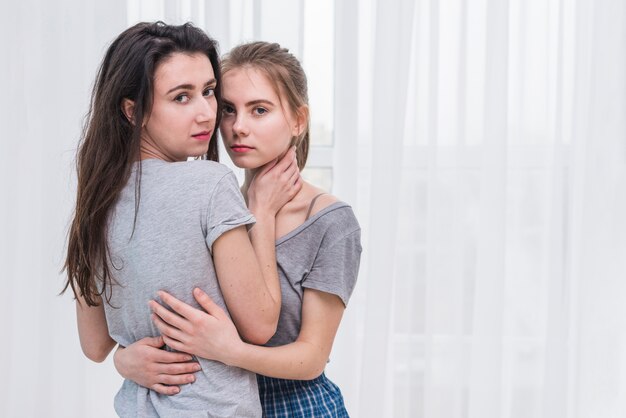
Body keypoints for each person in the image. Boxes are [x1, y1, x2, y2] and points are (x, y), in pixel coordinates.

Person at [62, 23, 301, 417]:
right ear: (132, 110)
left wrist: (127, 357)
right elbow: (260, 326)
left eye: (209, 92)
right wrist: (262, 211)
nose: (206, 113)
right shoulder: (209, 183)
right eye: (181, 97)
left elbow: (94, 346)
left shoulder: (96, 198)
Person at [115, 41, 362, 417]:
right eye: (228, 109)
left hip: (296, 407)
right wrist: (125, 359)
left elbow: (313, 357)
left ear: (298, 120)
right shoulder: (209, 201)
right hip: (215, 402)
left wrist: (228, 351)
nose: (237, 127)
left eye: (259, 110)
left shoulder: (330, 222)